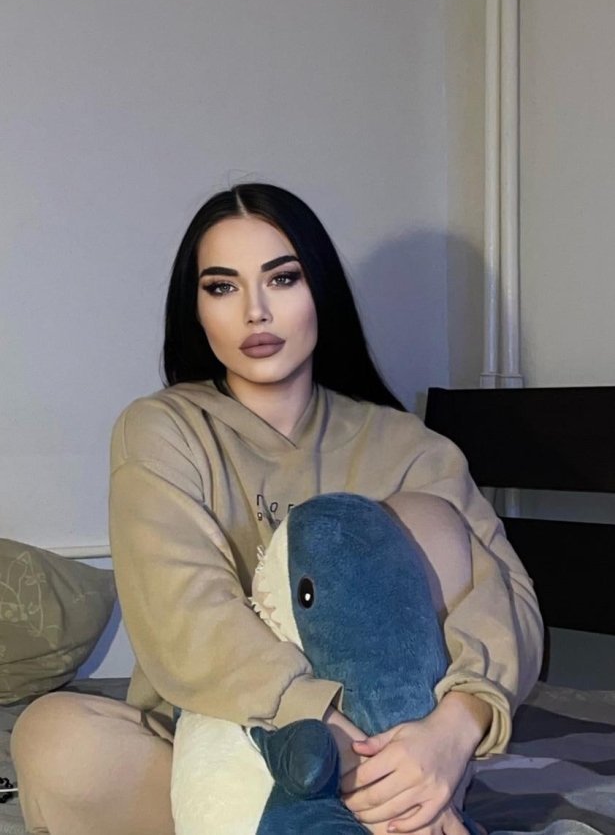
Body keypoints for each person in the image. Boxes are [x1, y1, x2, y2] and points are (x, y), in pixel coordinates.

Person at [11, 183, 543, 835]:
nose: (255, 312)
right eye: (222, 287)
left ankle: (376, 811)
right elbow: (183, 614)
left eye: (282, 279)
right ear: (196, 310)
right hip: (219, 744)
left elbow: (504, 602)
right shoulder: (162, 429)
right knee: (54, 738)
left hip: (398, 757)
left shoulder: (409, 447)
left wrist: (454, 730)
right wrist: (321, 729)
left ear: (320, 290)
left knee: (426, 522)